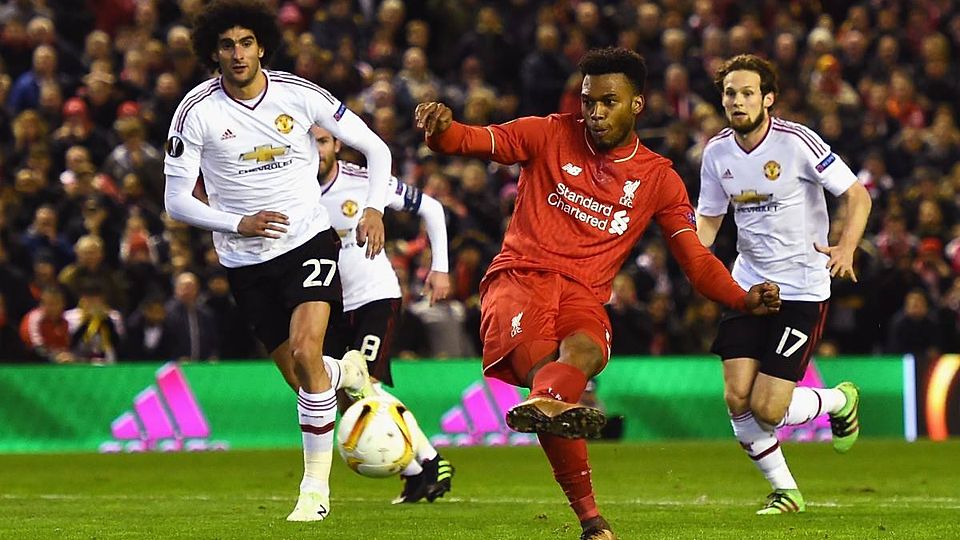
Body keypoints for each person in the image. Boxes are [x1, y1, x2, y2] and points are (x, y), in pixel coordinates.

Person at [415, 47, 782, 540]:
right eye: (589, 101)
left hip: (583, 295)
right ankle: (589, 513)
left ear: (637, 104)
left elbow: (695, 259)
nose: (596, 113)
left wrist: (740, 298)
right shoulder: (548, 133)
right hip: (519, 282)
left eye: (609, 102)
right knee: (552, 385)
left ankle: (553, 419)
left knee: (584, 355)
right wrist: (441, 130)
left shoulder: (658, 178)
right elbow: (472, 140)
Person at [162, 0, 391, 522]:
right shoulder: (195, 112)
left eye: (246, 42)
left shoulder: (299, 94)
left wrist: (374, 208)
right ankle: (347, 370)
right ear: (213, 54)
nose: (237, 53)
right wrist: (237, 223)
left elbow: (376, 149)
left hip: (307, 242)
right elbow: (175, 201)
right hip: (244, 261)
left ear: (262, 46)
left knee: (308, 353)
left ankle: (314, 492)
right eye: (227, 45)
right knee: (303, 378)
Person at [696, 54, 872, 515]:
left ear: (768, 98)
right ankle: (786, 491)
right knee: (737, 397)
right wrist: (693, 258)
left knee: (769, 409)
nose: (737, 101)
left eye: (747, 92)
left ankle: (839, 400)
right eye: (730, 93)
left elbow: (857, 194)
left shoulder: (797, 142)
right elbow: (709, 218)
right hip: (749, 286)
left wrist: (846, 247)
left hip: (802, 289)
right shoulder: (716, 153)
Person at [311, 125, 455, 504]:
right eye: (309, 142)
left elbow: (431, 208)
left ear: (337, 143)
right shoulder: (291, 189)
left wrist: (439, 268)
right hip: (328, 306)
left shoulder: (363, 181)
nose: (316, 149)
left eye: (322, 141)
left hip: (375, 298)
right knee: (346, 395)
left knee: (365, 385)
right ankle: (416, 472)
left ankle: (431, 462)